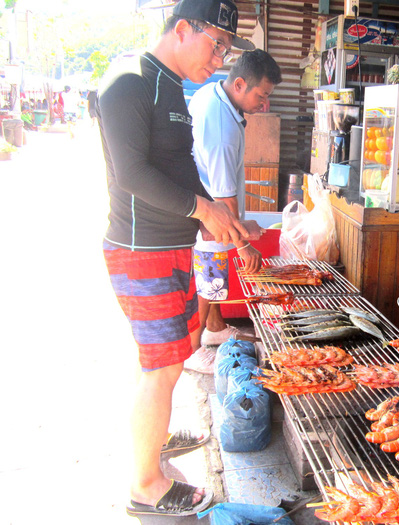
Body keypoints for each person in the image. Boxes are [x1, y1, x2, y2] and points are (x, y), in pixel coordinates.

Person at [97, 0, 257, 517]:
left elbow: (182, 166)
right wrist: (203, 209)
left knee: (180, 348)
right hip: (140, 252)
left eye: (228, 50)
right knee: (162, 369)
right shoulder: (128, 81)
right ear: (182, 29)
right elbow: (131, 174)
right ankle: (146, 486)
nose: (221, 59)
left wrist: (225, 222)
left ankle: (155, 436)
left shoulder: (173, 86)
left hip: (173, 247)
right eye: (217, 45)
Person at [185, 49, 282, 373]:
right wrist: (243, 244)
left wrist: (241, 228)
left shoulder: (212, 93)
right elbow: (226, 199)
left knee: (211, 270)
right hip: (208, 208)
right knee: (209, 275)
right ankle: (192, 348)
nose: (265, 104)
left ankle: (215, 329)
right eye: (262, 95)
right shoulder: (223, 130)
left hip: (203, 197)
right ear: (240, 84)